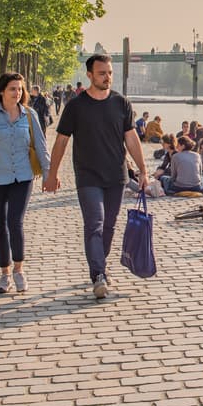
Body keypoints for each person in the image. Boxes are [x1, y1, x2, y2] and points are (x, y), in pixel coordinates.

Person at [44, 53, 149, 300]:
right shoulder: (76, 106)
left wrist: (144, 170)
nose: (107, 77)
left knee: (110, 227)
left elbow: (131, 138)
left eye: (110, 73)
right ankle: (99, 274)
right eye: (102, 73)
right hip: (87, 175)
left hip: (116, 175)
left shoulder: (121, 103)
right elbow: (61, 141)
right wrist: (52, 173)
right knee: (95, 223)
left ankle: (99, 266)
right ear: (89, 75)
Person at [0, 72, 50, 294]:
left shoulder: (29, 115)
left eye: (20, 89)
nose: (17, 93)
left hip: (22, 177)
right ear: (2, 91)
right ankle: (5, 274)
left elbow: (41, 146)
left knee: (15, 221)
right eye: (13, 89)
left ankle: (19, 270)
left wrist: (48, 173)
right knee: (0, 225)